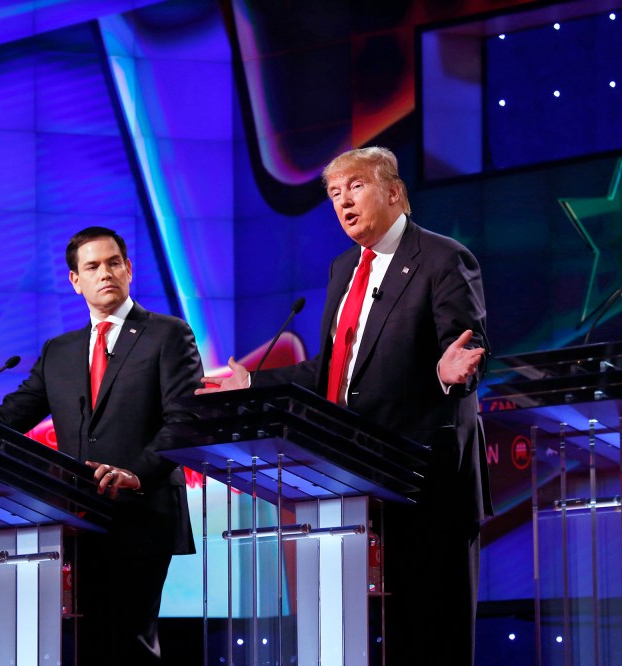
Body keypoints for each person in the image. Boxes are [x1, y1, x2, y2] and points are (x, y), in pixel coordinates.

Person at [198, 146, 490, 665]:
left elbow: (467, 350)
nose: (343, 202)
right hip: (352, 481)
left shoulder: (443, 258)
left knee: (433, 636)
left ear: (395, 192)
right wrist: (253, 383)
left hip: (426, 482)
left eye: (355, 186)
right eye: (335, 194)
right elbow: (334, 373)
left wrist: (450, 373)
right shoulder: (344, 270)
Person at [0, 226, 203, 665]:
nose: (105, 273)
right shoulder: (60, 350)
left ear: (128, 269)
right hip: (76, 517)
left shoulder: (168, 334)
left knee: (130, 641)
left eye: (113, 263)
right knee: (87, 641)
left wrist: (136, 474)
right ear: (76, 281)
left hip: (142, 512)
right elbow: (9, 416)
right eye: (92, 267)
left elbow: (186, 420)